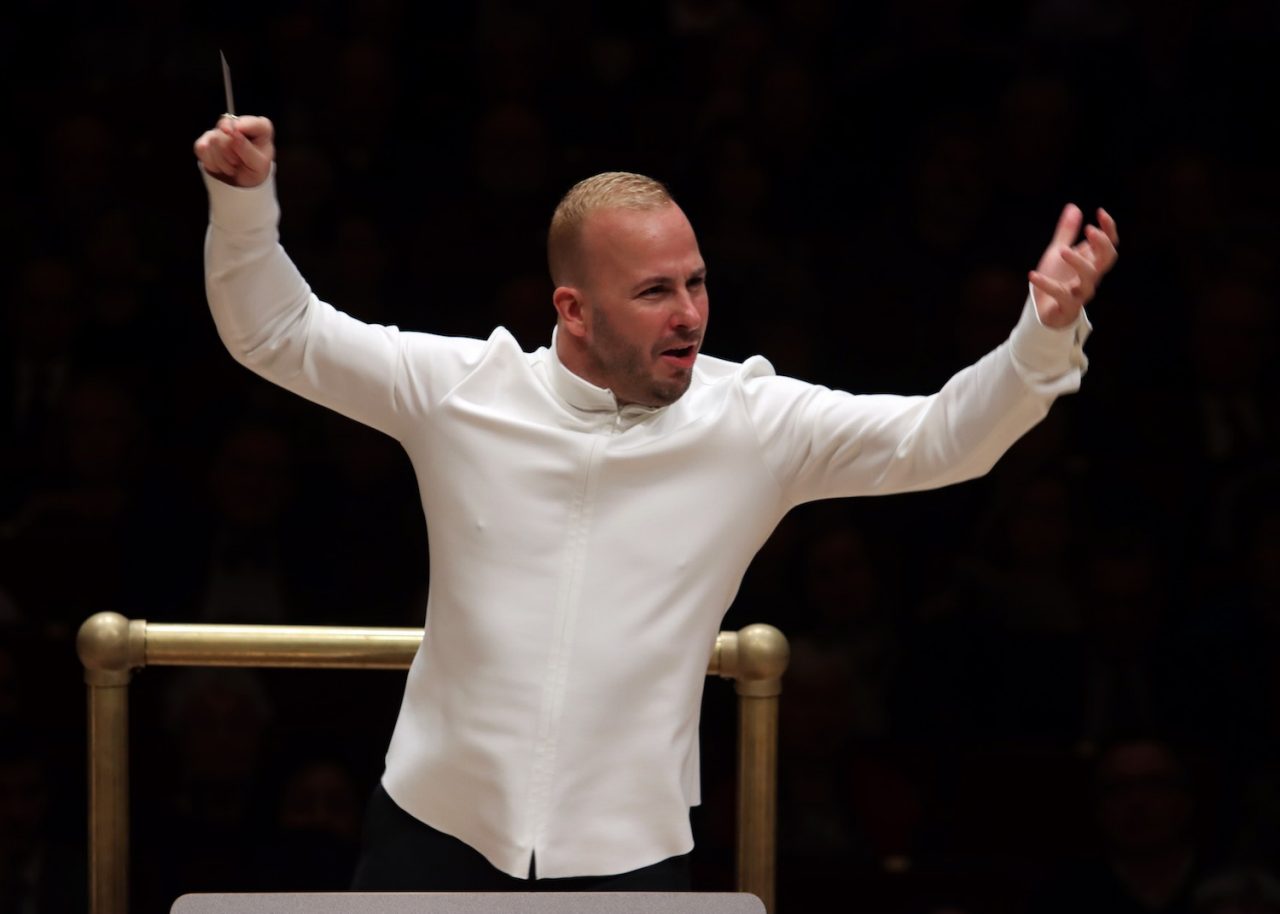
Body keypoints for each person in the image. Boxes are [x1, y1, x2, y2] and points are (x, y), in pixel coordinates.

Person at [192, 113, 1119, 892]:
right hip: (429, 834)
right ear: (574, 310)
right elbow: (275, 331)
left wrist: (1044, 335)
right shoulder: (463, 390)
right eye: (654, 292)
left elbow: (943, 439)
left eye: (697, 282)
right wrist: (243, 205)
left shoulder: (754, 422)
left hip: (629, 861)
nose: (689, 313)